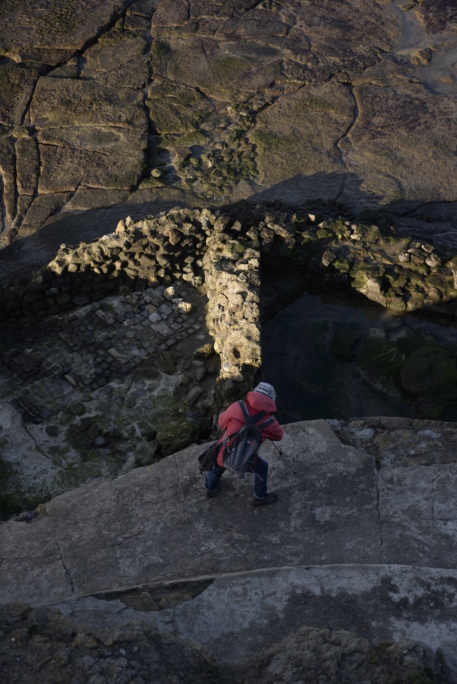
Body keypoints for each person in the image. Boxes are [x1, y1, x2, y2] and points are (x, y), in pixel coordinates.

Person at [205, 382, 283, 506]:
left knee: (217, 467)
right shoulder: (269, 421)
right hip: (247, 461)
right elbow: (279, 436)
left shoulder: (238, 406)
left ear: (254, 393)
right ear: (272, 400)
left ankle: (209, 489)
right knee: (262, 469)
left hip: (224, 453)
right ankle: (259, 497)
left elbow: (220, 422)